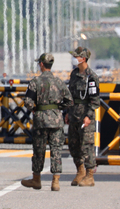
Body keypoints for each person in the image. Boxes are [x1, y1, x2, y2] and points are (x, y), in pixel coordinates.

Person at [21, 53, 73, 191]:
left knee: (39, 150)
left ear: (41, 64)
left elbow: (28, 101)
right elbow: (69, 101)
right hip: (56, 120)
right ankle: (55, 181)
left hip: (41, 121)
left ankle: (36, 179)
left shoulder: (35, 82)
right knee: (56, 150)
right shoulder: (59, 82)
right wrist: (57, 108)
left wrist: (35, 109)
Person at [66, 46, 100, 187]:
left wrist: (88, 116)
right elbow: (70, 95)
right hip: (74, 115)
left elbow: (95, 101)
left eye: (76, 56)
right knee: (73, 145)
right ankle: (80, 171)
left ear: (83, 58)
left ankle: (89, 175)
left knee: (87, 146)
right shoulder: (74, 74)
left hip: (85, 116)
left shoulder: (91, 77)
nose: (74, 58)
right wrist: (67, 112)